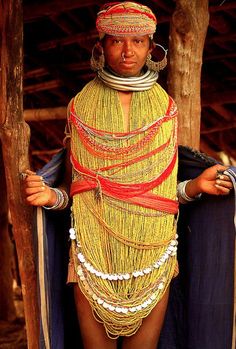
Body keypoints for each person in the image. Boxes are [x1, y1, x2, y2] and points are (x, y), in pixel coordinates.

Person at [22, 2, 234, 349]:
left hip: (153, 254)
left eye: (138, 41)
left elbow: (159, 190)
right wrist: (52, 197)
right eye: (117, 41)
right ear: (101, 45)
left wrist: (195, 186)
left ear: (152, 48)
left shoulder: (165, 109)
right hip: (93, 254)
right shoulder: (81, 106)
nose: (127, 51)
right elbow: (78, 189)